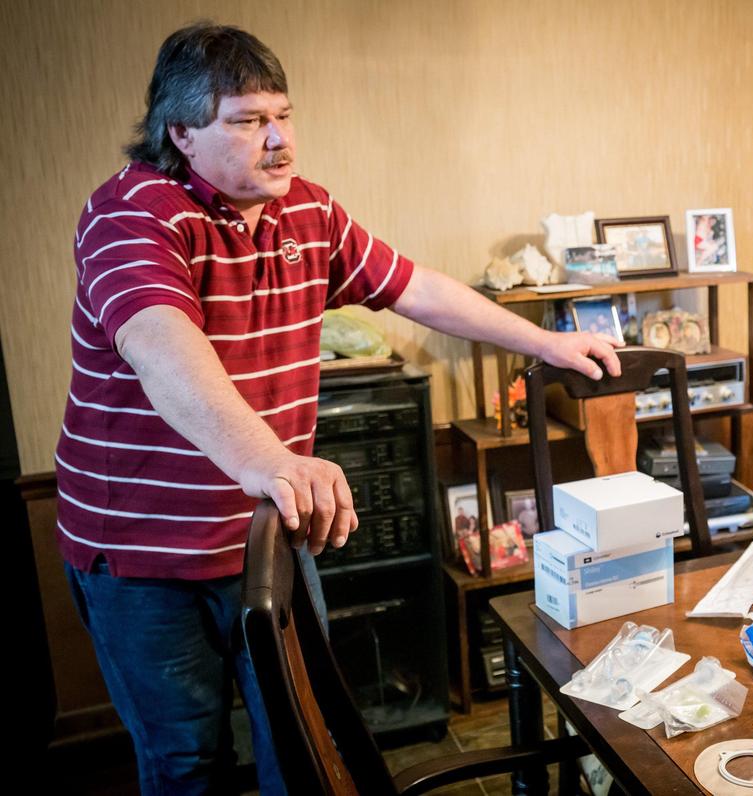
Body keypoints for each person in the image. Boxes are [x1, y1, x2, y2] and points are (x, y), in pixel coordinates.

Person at [58, 23, 622, 795]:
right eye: (248, 121)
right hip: (144, 559)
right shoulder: (133, 214)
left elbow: (417, 288)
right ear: (181, 132)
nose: (280, 140)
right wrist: (275, 463)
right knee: (187, 764)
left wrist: (547, 344)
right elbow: (161, 349)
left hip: (268, 536)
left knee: (304, 746)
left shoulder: (309, 214)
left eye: (283, 115)